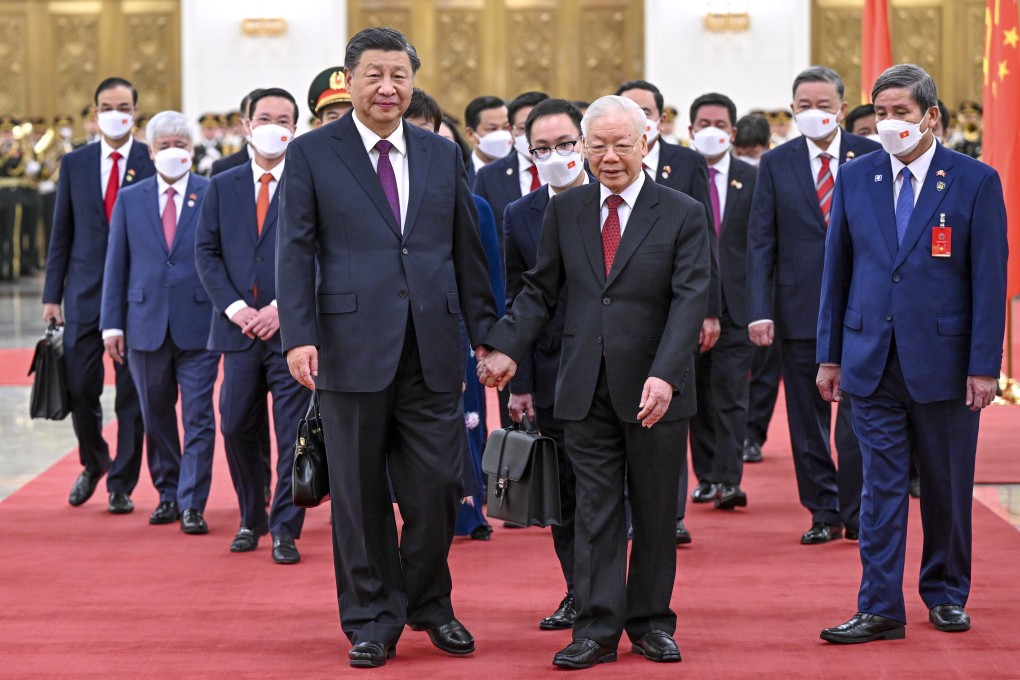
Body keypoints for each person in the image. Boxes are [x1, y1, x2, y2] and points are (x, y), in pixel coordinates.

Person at [276, 27, 498, 669]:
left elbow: (465, 250)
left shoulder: (438, 153)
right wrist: (300, 335)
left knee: (438, 486)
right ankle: (372, 617)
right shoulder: (314, 152)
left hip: (431, 344)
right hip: (347, 348)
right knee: (358, 493)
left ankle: (429, 603)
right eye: (374, 74)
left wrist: (486, 333)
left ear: (412, 81)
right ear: (350, 81)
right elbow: (296, 250)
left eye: (398, 75)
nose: (387, 87)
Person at [479, 94, 711, 669]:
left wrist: (665, 375)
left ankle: (652, 622)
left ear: (645, 144)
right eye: (598, 145)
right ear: (584, 147)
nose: (610, 157)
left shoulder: (681, 211)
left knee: (657, 512)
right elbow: (540, 290)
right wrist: (508, 348)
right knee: (594, 511)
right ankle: (596, 627)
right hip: (583, 385)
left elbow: (689, 302)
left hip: (657, 389)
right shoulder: (568, 210)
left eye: (622, 144)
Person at [817, 63, 1007, 643]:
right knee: (878, 489)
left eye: (901, 112)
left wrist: (983, 366)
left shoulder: (974, 180)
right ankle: (879, 606)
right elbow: (837, 273)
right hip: (870, 359)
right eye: (881, 113)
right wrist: (830, 356)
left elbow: (989, 281)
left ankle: (946, 593)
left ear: (931, 116)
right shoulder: (857, 178)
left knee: (947, 487)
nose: (889, 123)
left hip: (946, 365)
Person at [746, 66, 880, 545]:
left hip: (863, 312)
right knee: (807, 421)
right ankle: (822, 510)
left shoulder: (872, 155)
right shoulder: (777, 163)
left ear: (843, 109)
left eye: (824, 105)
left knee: (858, 420)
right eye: (804, 105)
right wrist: (759, 309)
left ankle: (857, 510)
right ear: (792, 109)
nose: (814, 113)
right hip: (798, 311)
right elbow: (760, 242)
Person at [195, 88, 306, 563]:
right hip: (237, 331)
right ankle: (250, 516)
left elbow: (319, 253)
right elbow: (206, 251)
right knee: (236, 422)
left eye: (283, 119)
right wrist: (235, 307)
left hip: (291, 332)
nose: (273, 126)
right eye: (264, 117)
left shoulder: (307, 181)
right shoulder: (222, 182)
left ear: (295, 129)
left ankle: (285, 527)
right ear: (246, 124)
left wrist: (283, 306)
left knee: (292, 433)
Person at [99, 110, 218, 534]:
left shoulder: (211, 193)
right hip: (144, 322)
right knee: (156, 414)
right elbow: (117, 264)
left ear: (192, 149)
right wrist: (111, 324)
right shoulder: (131, 199)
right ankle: (167, 492)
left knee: (199, 416)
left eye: (180, 146)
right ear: (150, 152)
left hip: (201, 322)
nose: (173, 153)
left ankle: (192, 502)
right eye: (164, 146)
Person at [616, 78, 718, 543]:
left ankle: (669, 513)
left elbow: (705, 251)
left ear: (656, 121)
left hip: (670, 323)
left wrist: (710, 310)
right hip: (613, 333)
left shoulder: (686, 165)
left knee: (666, 417)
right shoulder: (598, 176)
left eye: (646, 111)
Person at [42, 77, 150, 513]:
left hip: (135, 295)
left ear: (135, 112)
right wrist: (52, 295)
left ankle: (121, 483)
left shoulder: (152, 159)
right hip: (85, 295)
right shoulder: (76, 164)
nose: (115, 113)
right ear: (95, 111)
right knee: (79, 385)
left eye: (123, 106)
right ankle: (94, 459)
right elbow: (61, 234)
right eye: (107, 106)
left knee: (132, 395)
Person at [503, 98, 589, 630]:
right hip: (554, 371)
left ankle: (616, 592)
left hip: (617, 367)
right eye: (542, 149)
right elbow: (521, 300)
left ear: (585, 142)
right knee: (566, 493)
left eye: (565, 145)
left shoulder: (617, 198)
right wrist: (521, 383)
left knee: (609, 490)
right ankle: (578, 591)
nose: (555, 155)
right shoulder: (522, 213)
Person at [404, 88, 500, 542]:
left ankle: (469, 508)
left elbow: (484, 278)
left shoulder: (471, 202)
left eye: (427, 129)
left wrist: (488, 338)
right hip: (395, 330)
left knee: (466, 419)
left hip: (453, 327)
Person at [682, 93, 757, 512]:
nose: (712, 130)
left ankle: (729, 479)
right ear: (692, 131)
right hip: (688, 305)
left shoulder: (752, 176)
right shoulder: (675, 176)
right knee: (696, 399)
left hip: (737, 306)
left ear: (733, 130)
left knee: (729, 394)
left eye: (721, 123)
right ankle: (707, 475)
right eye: (704, 122)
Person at [211, 89, 263, 176]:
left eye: (265, 118)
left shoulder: (291, 164)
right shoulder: (222, 168)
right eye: (251, 117)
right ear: (243, 123)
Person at [463, 95, 510, 185]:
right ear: (471, 134)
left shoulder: (523, 168)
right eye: (492, 129)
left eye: (506, 127)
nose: (501, 135)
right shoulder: (458, 171)